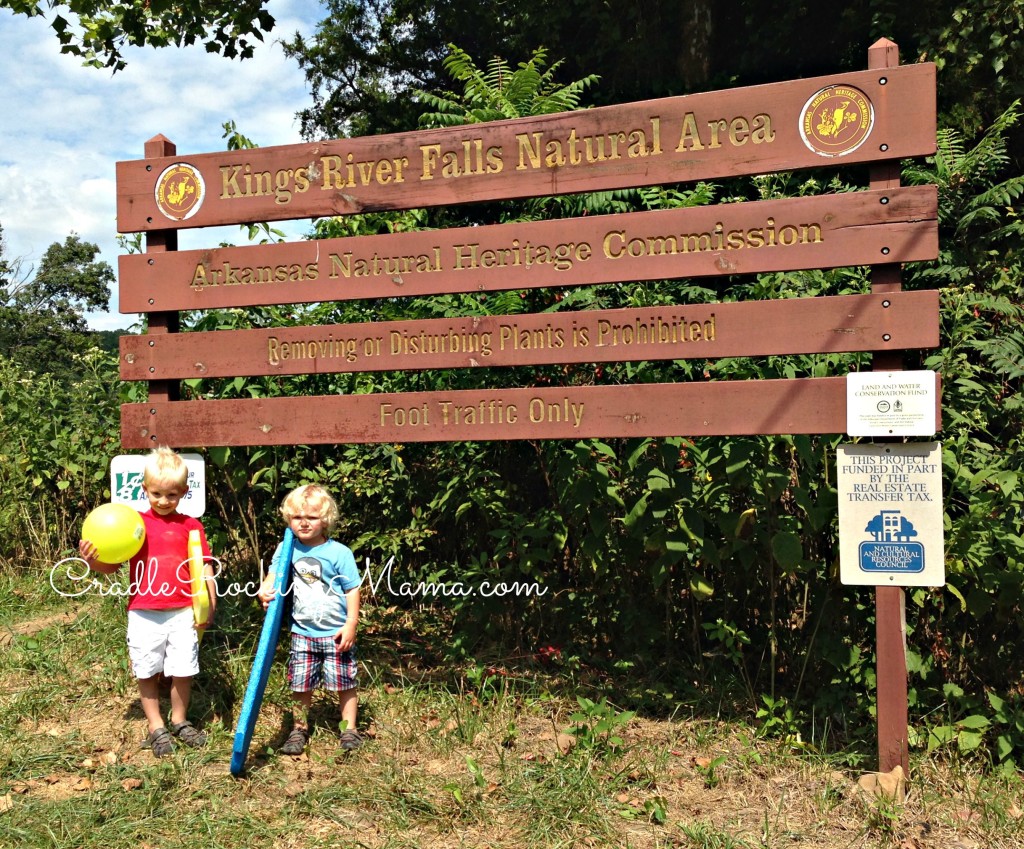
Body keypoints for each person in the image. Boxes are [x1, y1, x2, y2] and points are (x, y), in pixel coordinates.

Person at [79, 446, 215, 757]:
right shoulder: (133, 524)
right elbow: (111, 565)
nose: (163, 501)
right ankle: (156, 727)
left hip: (183, 610)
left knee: (184, 669)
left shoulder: (191, 525)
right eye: (156, 493)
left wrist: (208, 604)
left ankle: (179, 720)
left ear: (184, 492)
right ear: (144, 489)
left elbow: (203, 565)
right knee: (147, 669)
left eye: (172, 495)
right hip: (143, 611)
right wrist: (92, 559)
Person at [258, 484, 362, 753]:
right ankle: (299, 729)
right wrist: (266, 587)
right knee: (300, 683)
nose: (304, 523)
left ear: (325, 520)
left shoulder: (339, 553)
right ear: (288, 519)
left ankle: (349, 729)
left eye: (312, 517)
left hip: (335, 630)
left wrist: (351, 623)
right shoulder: (287, 547)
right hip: (302, 631)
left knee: (344, 682)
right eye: (297, 517)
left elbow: (352, 588)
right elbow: (274, 572)